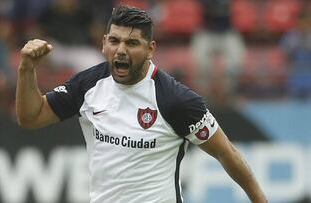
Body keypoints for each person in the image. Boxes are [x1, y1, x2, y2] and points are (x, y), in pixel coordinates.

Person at [16, 5, 267, 203]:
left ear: (150, 49)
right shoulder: (88, 85)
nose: (121, 50)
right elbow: (31, 117)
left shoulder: (175, 100)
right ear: (104, 43)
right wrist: (27, 69)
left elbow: (227, 153)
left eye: (132, 43)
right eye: (114, 41)